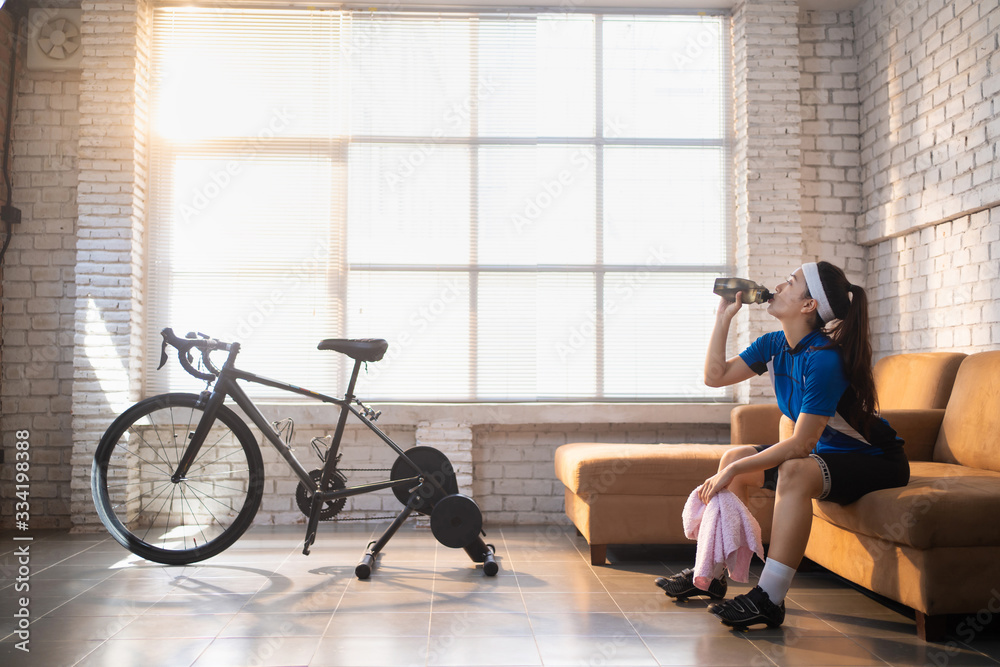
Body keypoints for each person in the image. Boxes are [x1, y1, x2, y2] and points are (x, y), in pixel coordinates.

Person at [654, 261, 909, 629]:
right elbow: (715, 377)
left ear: (808, 306)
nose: (779, 284)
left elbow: (801, 445)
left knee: (788, 470)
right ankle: (709, 576)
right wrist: (723, 317)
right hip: (830, 455)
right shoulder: (775, 344)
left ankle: (769, 598)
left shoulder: (824, 359)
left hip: (876, 460)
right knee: (735, 455)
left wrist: (734, 471)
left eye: (791, 282)